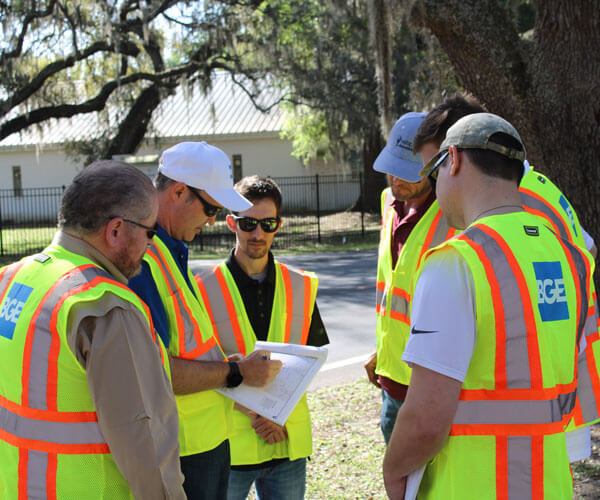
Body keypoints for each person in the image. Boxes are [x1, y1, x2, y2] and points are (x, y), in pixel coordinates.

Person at [383, 113, 599, 499]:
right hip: (549, 485)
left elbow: (425, 420)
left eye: (436, 170)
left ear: (455, 159)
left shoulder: (456, 261)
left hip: (473, 485)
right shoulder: (571, 258)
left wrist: (393, 471)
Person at [0, 161, 185, 499]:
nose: (150, 246)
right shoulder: (106, 307)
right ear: (116, 231)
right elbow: (144, 442)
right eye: (150, 232)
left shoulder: (11, 279)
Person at [128, 142, 282, 500]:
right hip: (183, 450)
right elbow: (155, 371)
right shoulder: (145, 262)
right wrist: (235, 374)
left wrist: (226, 368)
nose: (212, 220)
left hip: (202, 444)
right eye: (211, 208)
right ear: (179, 191)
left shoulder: (169, 252)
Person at [195, 175, 329, 500]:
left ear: (278, 225)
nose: (258, 233)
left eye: (267, 224)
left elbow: (310, 359)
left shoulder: (301, 285)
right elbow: (199, 368)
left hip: (285, 444)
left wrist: (277, 417)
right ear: (231, 222)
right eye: (248, 223)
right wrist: (260, 416)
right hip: (229, 449)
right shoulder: (201, 290)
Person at [364, 111, 463, 444]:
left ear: (434, 166)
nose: (396, 180)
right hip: (391, 376)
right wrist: (382, 350)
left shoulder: (454, 214)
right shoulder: (387, 202)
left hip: (432, 382)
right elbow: (392, 286)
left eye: (407, 171)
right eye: (393, 168)